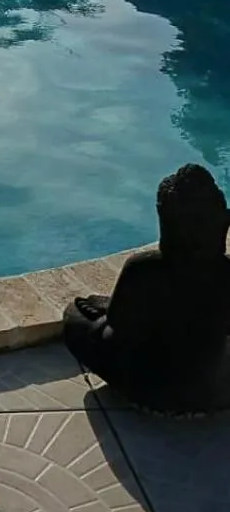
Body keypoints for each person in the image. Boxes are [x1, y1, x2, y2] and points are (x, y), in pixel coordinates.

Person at [64, 164, 230, 413]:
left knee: (74, 318)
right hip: (215, 390)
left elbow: (117, 326)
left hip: (148, 386)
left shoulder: (144, 268)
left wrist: (107, 313)